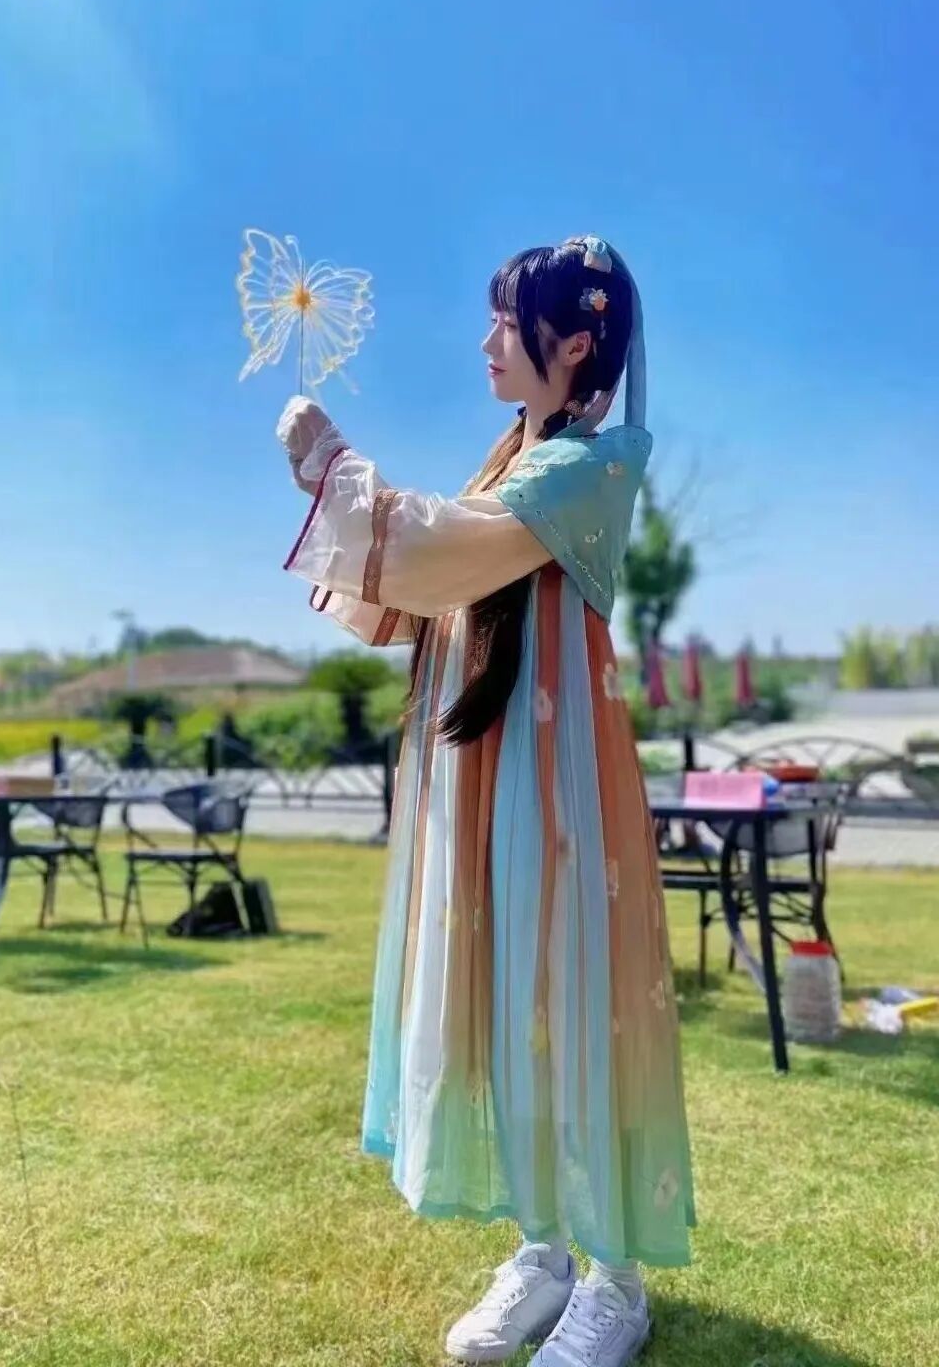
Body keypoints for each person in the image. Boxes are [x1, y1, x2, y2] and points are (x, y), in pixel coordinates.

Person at [276, 235, 694, 1367]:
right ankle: (543, 1250)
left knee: (573, 995)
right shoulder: (513, 461)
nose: (486, 343)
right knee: (509, 1001)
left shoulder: (591, 466)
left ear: (574, 343)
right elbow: (424, 595)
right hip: (492, 773)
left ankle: (616, 1278)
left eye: (506, 322)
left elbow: (437, 554)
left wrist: (335, 467)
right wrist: (339, 487)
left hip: (555, 784)